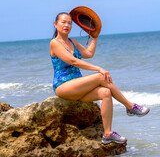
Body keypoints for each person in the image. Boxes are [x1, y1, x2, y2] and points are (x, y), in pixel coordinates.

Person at [50, 12, 150, 145]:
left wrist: (94, 36)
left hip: (77, 87)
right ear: (56, 24)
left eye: (69, 23)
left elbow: (88, 53)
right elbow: (73, 61)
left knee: (106, 92)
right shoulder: (55, 43)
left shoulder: (72, 42)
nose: (67, 25)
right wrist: (98, 68)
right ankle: (130, 106)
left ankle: (107, 134)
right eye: (63, 22)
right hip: (63, 86)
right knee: (100, 76)